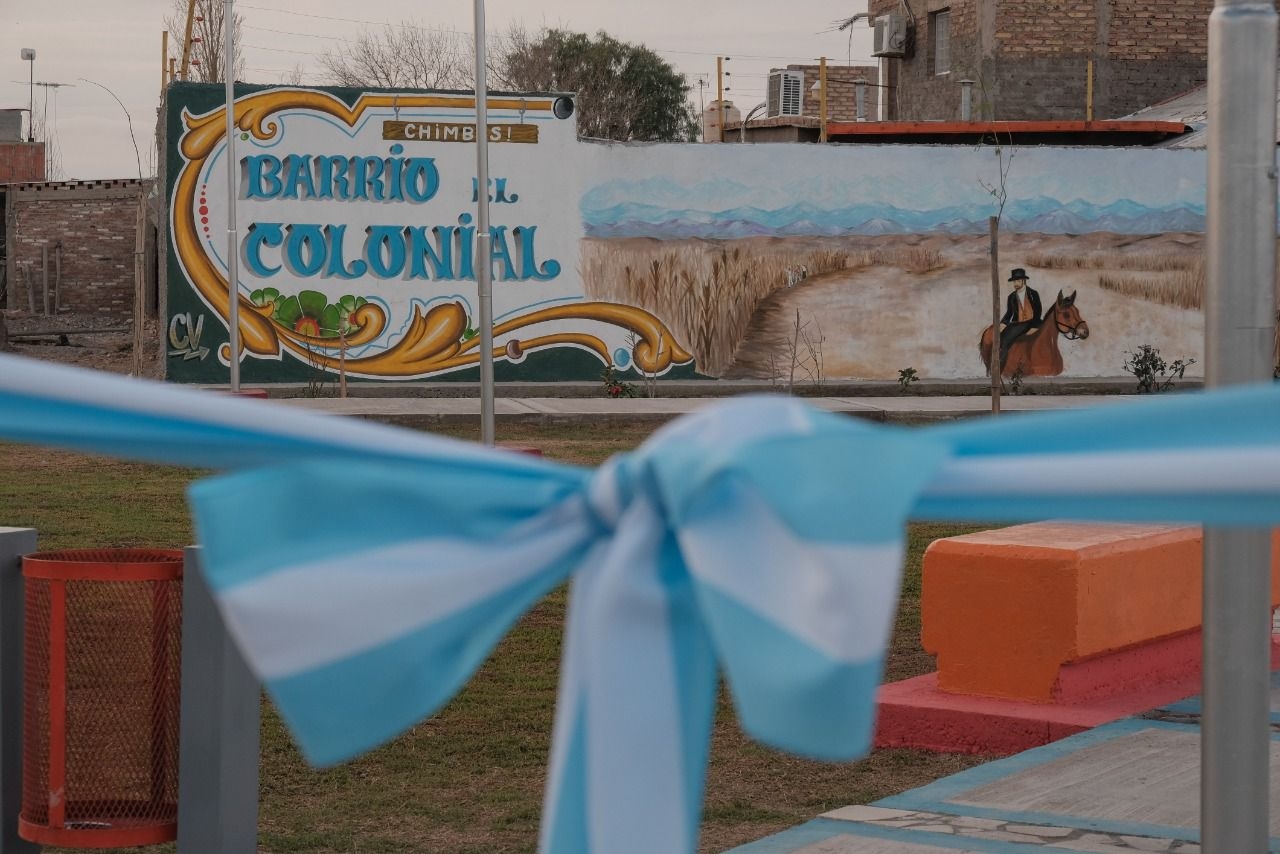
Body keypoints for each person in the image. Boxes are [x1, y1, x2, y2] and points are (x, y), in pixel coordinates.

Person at [998, 267, 1042, 370]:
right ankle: (1001, 366)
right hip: (1018, 324)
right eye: (1014, 281)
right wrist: (1003, 323)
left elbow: (1038, 311)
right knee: (1004, 339)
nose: (1015, 284)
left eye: (1018, 281)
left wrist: (1034, 326)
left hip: (1033, 322)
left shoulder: (1033, 294)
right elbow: (1009, 313)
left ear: (1023, 281)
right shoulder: (1011, 297)